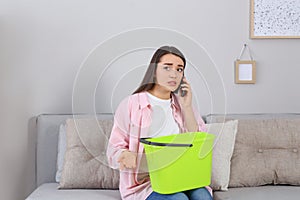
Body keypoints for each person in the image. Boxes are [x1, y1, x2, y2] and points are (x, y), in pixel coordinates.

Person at [107, 46, 212, 200]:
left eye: (179, 69)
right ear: (154, 72)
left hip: (184, 177)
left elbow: (199, 145)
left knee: (203, 197)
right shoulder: (131, 104)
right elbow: (113, 149)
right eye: (167, 68)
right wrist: (125, 154)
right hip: (146, 183)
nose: (174, 74)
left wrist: (187, 107)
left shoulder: (183, 105)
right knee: (179, 199)